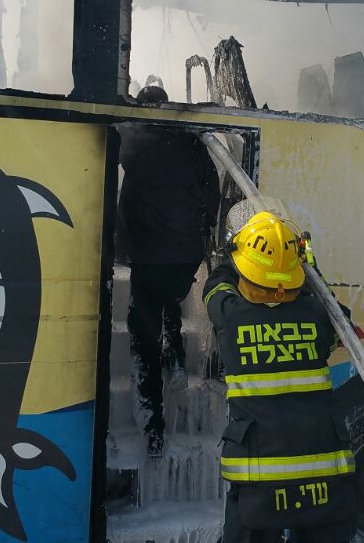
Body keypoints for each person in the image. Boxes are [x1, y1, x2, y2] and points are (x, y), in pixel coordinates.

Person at [205, 211, 357, 543]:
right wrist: (310, 268)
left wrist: (232, 251)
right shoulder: (317, 317)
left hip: (259, 482)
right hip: (324, 478)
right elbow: (336, 314)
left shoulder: (231, 319)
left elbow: (215, 285)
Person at [119, 85, 220, 457]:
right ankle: (175, 355)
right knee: (169, 297)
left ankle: (154, 427)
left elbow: (118, 158)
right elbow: (212, 191)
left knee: (142, 330)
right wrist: (203, 229)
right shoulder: (191, 144)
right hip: (184, 255)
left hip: (149, 253)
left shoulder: (136, 142)